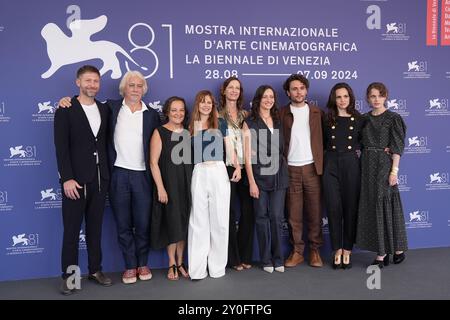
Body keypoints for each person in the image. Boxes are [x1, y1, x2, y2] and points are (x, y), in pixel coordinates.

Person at [58, 70, 160, 284]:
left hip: (135, 176)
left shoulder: (148, 114)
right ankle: (75, 279)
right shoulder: (111, 108)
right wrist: (66, 100)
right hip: (114, 175)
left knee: (138, 224)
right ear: (124, 88)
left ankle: (131, 265)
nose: (135, 89)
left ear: (144, 89)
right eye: (131, 85)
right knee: (116, 226)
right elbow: (62, 146)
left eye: (139, 86)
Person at [54, 65, 112, 295]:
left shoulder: (105, 109)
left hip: (100, 180)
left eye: (96, 81)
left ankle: (95, 270)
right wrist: (66, 178)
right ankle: (69, 278)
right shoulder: (65, 109)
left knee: (95, 229)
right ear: (78, 82)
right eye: (87, 81)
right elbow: (61, 148)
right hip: (75, 182)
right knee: (71, 231)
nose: (92, 85)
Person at [188, 90, 241, 280]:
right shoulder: (191, 126)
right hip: (199, 171)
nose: (206, 105)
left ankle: (217, 268)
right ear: (197, 104)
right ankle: (197, 270)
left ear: (213, 105)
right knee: (198, 222)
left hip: (218, 171)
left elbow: (230, 148)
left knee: (220, 221)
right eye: (202, 102)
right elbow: (187, 154)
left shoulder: (221, 123)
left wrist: (237, 166)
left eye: (209, 102)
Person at [356, 82, 408, 267]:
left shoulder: (393, 118)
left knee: (384, 204)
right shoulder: (363, 119)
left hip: (384, 166)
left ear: (385, 96)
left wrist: (394, 171)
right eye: (372, 96)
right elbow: (357, 143)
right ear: (368, 98)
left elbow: (397, 147)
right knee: (372, 206)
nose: (376, 99)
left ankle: (387, 252)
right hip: (367, 165)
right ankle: (386, 250)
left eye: (379, 95)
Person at [279, 74, 324, 268]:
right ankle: (297, 252)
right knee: (294, 215)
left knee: (314, 212)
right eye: (294, 89)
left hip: (313, 169)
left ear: (306, 90)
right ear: (288, 92)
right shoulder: (281, 113)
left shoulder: (317, 113)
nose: (298, 92)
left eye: (301, 88)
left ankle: (315, 251)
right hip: (290, 169)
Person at [243, 85, 289, 273]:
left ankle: (278, 258)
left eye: (271, 97)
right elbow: (246, 155)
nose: (268, 100)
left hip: (279, 174)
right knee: (261, 217)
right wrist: (252, 182)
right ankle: (266, 259)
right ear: (258, 100)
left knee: (277, 217)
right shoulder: (250, 122)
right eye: (265, 97)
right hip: (258, 176)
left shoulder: (278, 120)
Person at [322, 83, 364, 269]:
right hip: (330, 164)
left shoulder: (359, 119)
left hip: (351, 164)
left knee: (350, 209)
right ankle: (336, 249)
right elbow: (320, 143)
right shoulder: (326, 119)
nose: (342, 100)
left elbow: (366, 143)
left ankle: (347, 249)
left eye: (345, 96)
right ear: (333, 98)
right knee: (333, 209)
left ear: (350, 98)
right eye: (338, 97)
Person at [150, 96, 192, 280]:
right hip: (169, 185)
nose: (178, 113)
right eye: (174, 110)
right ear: (167, 112)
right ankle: (171, 263)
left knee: (184, 224)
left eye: (181, 110)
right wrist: (160, 188)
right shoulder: (160, 132)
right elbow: (153, 163)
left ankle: (181, 261)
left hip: (188, 184)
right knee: (172, 223)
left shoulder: (189, 132)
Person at [219, 77, 254, 271]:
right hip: (227, 167)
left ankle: (245, 255)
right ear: (223, 91)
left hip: (246, 165)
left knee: (248, 212)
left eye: (237, 88)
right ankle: (232, 258)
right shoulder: (217, 114)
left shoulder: (245, 114)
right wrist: (235, 166)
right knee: (229, 213)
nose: (234, 91)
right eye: (230, 87)